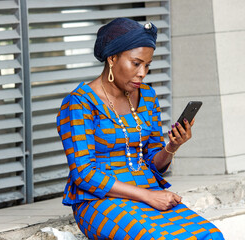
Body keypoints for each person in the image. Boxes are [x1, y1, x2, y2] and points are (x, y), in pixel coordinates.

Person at [56, 18, 224, 240]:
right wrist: (147, 196)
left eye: (147, 65)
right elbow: (84, 173)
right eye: (136, 63)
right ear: (112, 58)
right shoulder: (79, 103)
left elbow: (155, 163)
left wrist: (173, 145)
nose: (142, 73)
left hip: (150, 193)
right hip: (100, 202)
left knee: (210, 236)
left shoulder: (147, 96)